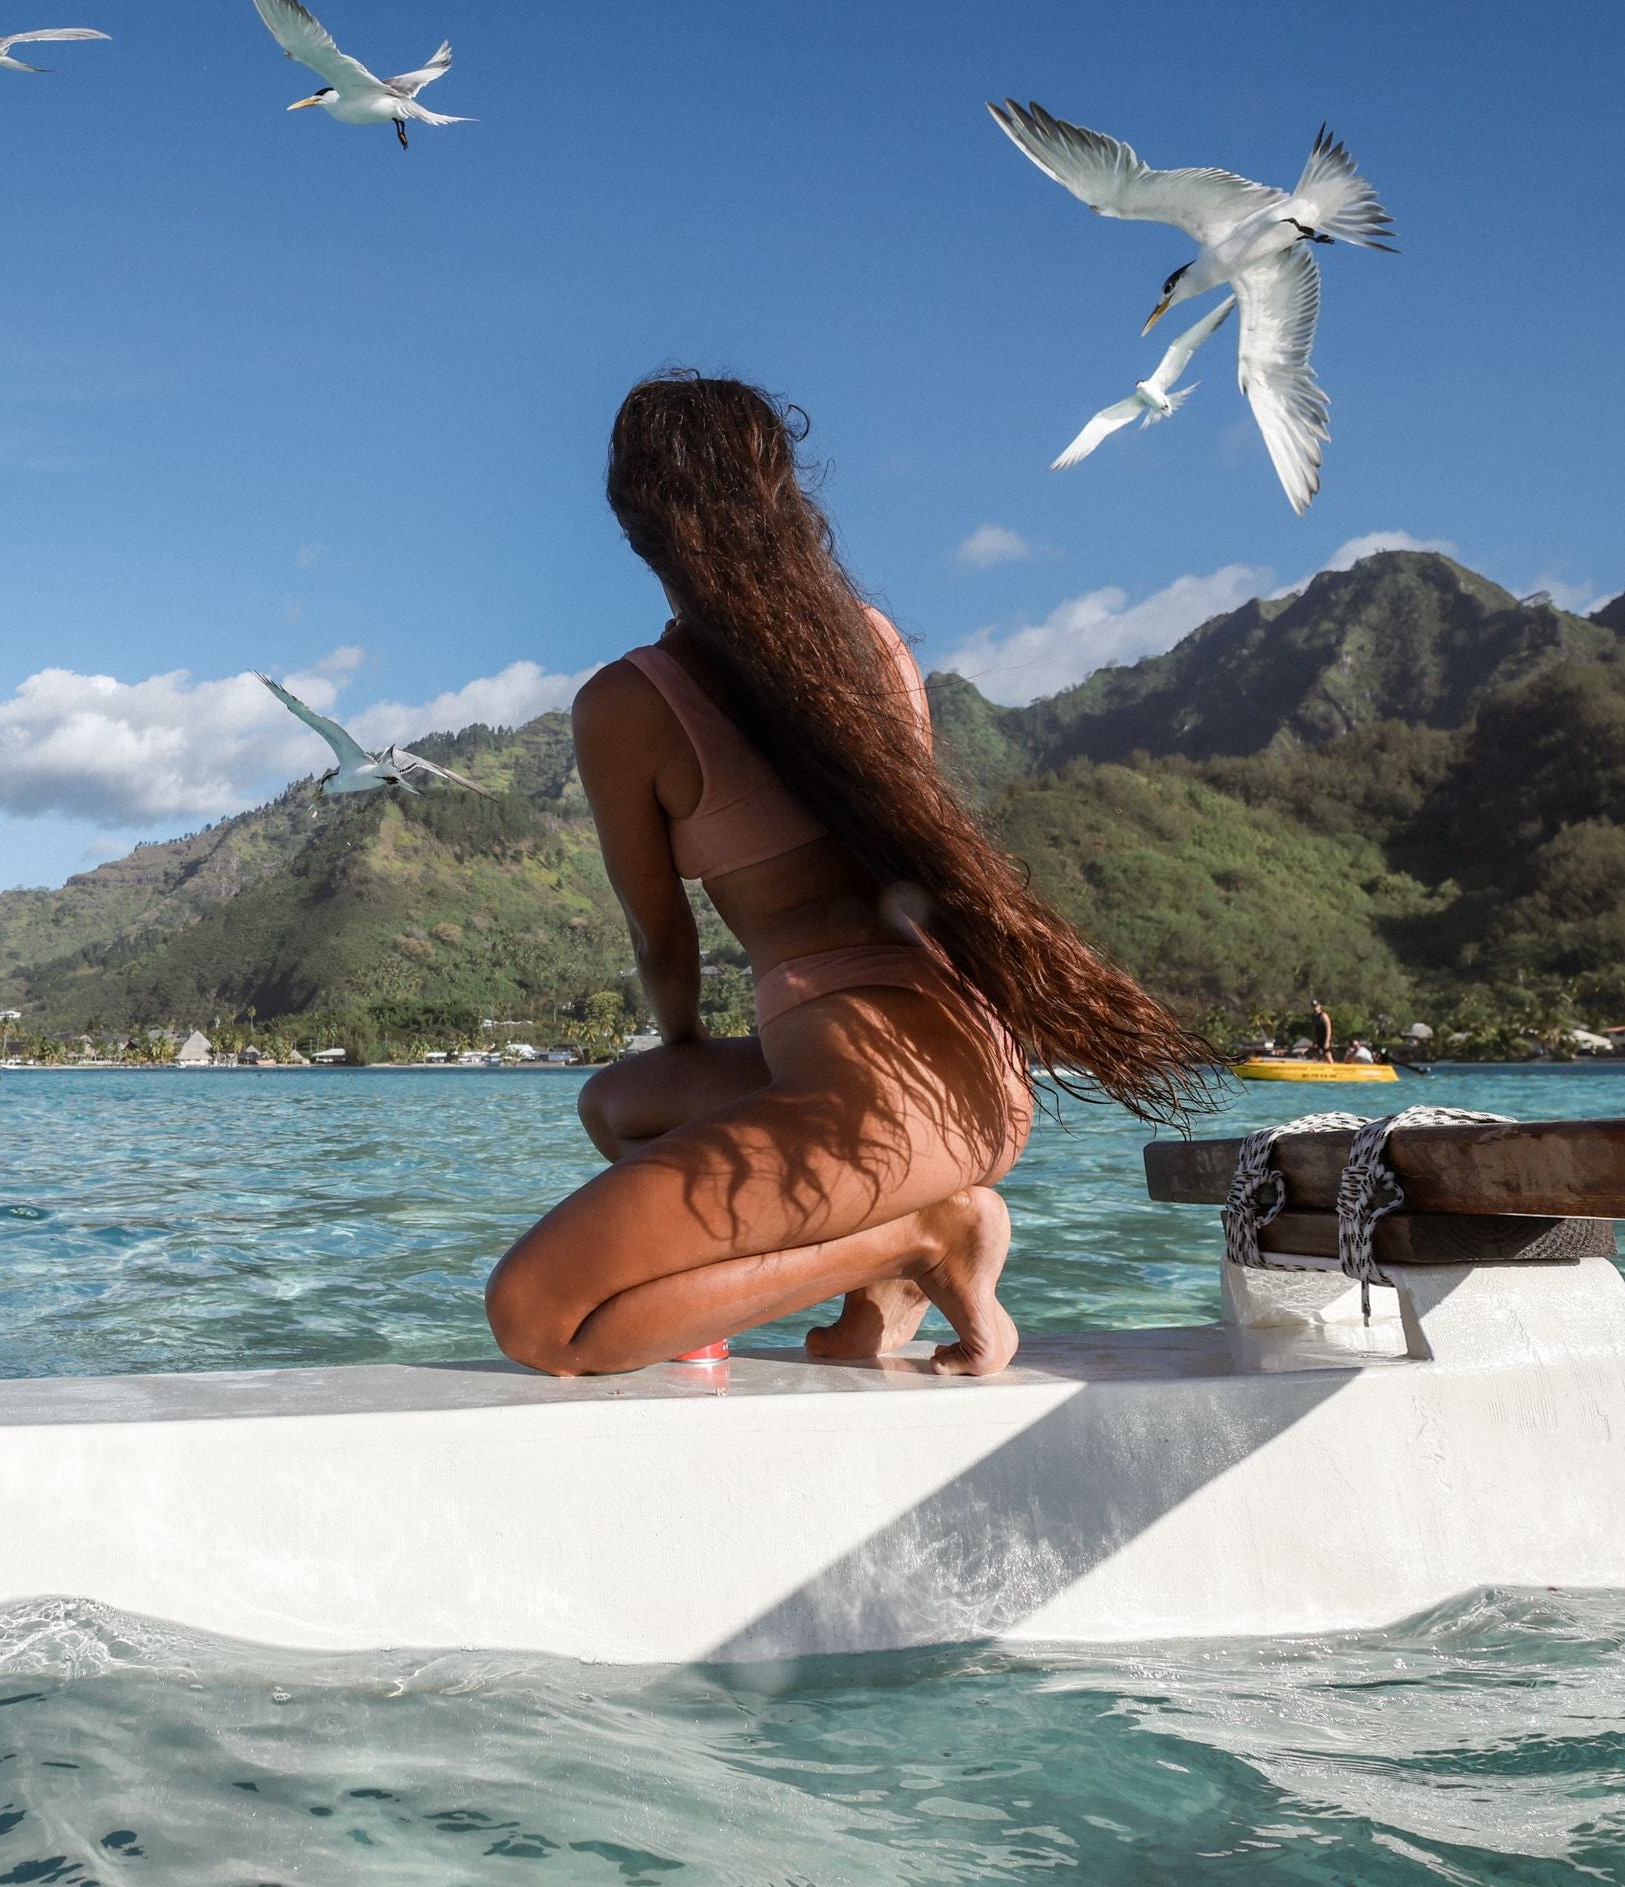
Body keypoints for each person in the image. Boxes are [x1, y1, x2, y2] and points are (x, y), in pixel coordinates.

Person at [485, 374, 1220, 1379]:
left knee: (538, 1321)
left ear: (634, 529)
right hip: (971, 1073)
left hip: (876, 1109)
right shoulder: (868, 647)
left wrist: (701, 1054)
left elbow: (665, 942)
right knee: (621, 1104)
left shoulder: (628, 703)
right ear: (786, 500)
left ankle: (921, 1239)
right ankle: (873, 1290)